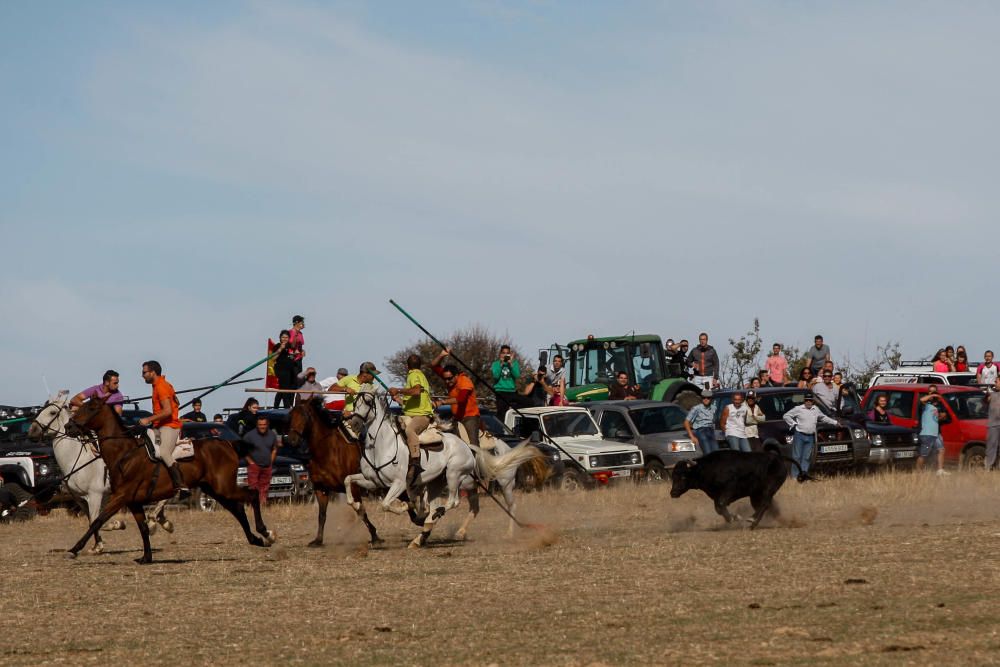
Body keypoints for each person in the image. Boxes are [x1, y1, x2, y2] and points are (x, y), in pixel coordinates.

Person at [388, 354, 434, 506]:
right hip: (412, 414)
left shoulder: (414, 375)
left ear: (407, 367)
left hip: (421, 416)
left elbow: (416, 391)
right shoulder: (420, 375)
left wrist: (398, 389)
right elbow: (411, 402)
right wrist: (398, 400)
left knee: (409, 431)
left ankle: (416, 462)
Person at [137, 361, 186, 492]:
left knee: (164, 452)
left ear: (152, 372)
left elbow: (167, 411)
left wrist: (148, 419)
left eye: (144, 372)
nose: (142, 375)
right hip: (160, 425)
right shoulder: (158, 385)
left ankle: (181, 484)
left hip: (170, 426)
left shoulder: (161, 387)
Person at [783, 392, 838, 482]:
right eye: (807, 400)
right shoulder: (798, 408)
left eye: (810, 400)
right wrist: (793, 423)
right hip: (799, 435)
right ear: (804, 401)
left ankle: (803, 476)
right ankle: (794, 477)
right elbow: (786, 416)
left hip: (811, 436)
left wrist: (835, 422)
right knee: (797, 457)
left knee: (807, 457)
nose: (808, 402)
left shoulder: (815, 409)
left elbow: (823, 417)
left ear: (812, 401)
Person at [430, 349, 481, 446]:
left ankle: (477, 460)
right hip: (457, 417)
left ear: (456, 376)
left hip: (470, 417)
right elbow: (433, 366)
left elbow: (461, 399)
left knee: (473, 444)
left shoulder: (465, 381)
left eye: (449, 378)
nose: (447, 382)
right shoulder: (448, 377)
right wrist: (442, 355)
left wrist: (442, 402)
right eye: (445, 379)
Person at [243, 415, 278, 506]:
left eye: (264, 424)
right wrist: (251, 462)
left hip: (267, 466)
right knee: (254, 487)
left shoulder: (272, 435)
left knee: (265, 487)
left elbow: (274, 449)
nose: (262, 426)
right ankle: (254, 506)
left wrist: (271, 462)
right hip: (254, 466)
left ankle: (262, 505)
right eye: (260, 424)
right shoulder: (249, 436)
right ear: (257, 425)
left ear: (267, 424)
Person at [917, 386, 949, 475]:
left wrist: (942, 416)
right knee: (924, 454)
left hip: (936, 433)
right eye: (930, 392)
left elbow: (941, 417)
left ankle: (940, 470)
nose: (933, 394)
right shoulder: (925, 405)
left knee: (941, 450)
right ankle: (919, 471)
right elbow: (921, 400)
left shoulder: (938, 406)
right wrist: (932, 395)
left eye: (934, 392)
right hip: (927, 433)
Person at [684, 390, 718, 455]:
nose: (706, 399)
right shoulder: (696, 408)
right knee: (708, 453)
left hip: (711, 430)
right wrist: (692, 436)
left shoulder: (714, 408)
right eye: (704, 398)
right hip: (701, 430)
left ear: (711, 399)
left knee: (716, 452)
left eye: (708, 398)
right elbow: (686, 422)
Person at [491, 345, 521, 417]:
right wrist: (501, 365)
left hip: (511, 391)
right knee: (501, 413)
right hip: (500, 391)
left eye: (507, 353)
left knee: (512, 413)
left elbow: (517, 375)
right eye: (503, 353)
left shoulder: (514, 363)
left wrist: (511, 365)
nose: (505, 355)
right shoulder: (495, 364)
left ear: (510, 354)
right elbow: (496, 376)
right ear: (500, 354)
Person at [272, 329, 296, 409]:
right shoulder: (277, 346)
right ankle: (287, 407)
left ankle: (275, 407)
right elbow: (273, 358)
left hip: (289, 370)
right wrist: (280, 349)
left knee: (283, 389)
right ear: (280, 338)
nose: (285, 339)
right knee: (285, 389)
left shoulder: (290, 346)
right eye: (283, 337)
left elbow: (293, 354)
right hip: (281, 370)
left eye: (286, 337)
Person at [986, 377, 1000, 470]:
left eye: (997, 381)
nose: (995, 383)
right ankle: (988, 467)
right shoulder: (992, 394)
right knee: (991, 447)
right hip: (993, 424)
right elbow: (986, 400)